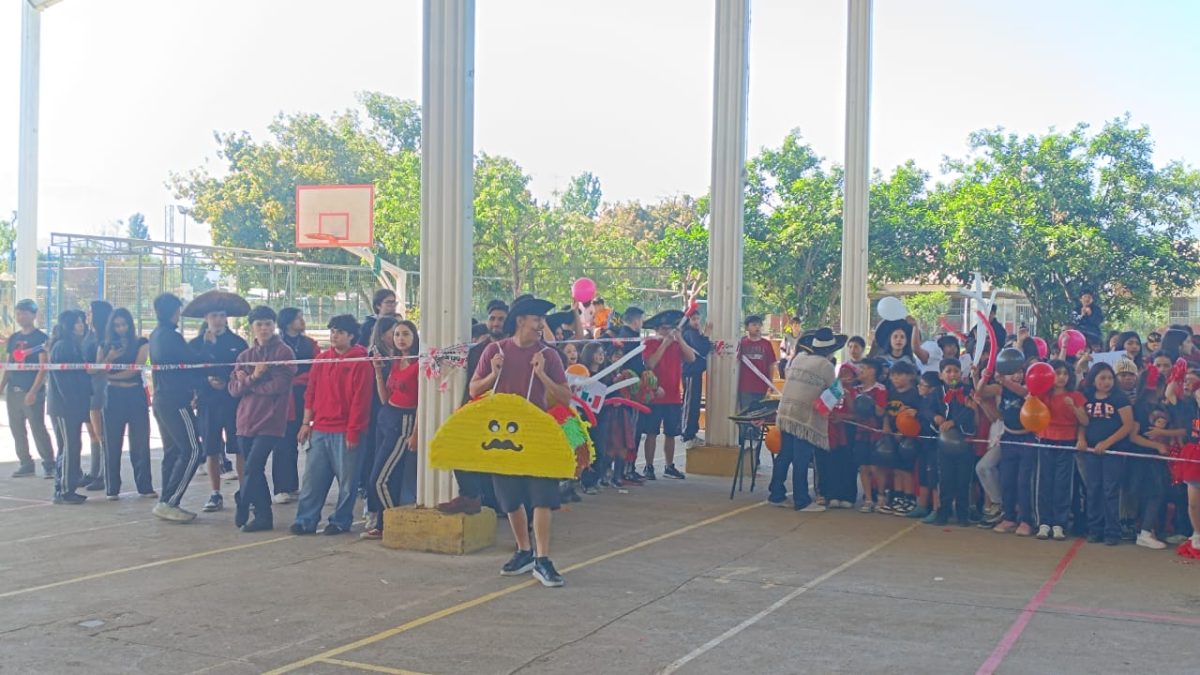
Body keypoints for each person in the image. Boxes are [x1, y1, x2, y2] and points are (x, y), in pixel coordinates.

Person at [469, 296, 571, 587]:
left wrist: (541, 375)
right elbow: (474, 390)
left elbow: (565, 397)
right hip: (501, 435)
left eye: (542, 320)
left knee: (542, 497)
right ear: (521, 320)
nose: (541, 325)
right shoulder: (494, 350)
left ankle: (544, 558)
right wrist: (493, 374)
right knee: (510, 498)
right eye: (537, 319)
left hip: (537, 433)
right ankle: (524, 551)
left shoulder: (549, 356)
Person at [292, 314, 374, 536]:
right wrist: (305, 423)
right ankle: (305, 519)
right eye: (332, 331)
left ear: (351, 335)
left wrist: (353, 431)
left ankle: (340, 520)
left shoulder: (360, 361)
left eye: (339, 332)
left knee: (348, 482)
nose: (334, 335)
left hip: (346, 430)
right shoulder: (321, 359)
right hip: (320, 428)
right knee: (312, 479)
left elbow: (361, 400)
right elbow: (311, 392)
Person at [228, 306, 296, 532]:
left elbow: (280, 386)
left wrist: (250, 381)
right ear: (252, 327)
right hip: (245, 420)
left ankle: (243, 500)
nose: (264, 328)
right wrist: (256, 376)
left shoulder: (284, 352)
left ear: (274, 325)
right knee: (252, 470)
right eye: (259, 324)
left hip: (270, 420)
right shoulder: (245, 356)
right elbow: (234, 389)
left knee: (253, 466)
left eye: (268, 323)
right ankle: (262, 514)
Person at [438, 300, 508, 515]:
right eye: (492, 318)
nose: (495, 323)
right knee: (459, 448)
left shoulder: (513, 348)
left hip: (504, 414)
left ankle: (496, 504)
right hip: (476, 408)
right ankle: (471, 496)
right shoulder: (477, 349)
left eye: (501, 319)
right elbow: (470, 382)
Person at [768, 327, 845, 512]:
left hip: (786, 412)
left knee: (785, 455)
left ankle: (776, 493)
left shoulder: (799, 358)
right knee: (801, 458)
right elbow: (833, 392)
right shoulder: (826, 366)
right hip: (804, 417)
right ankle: (801, 499)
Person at [148, 293, 207, 522]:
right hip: (175, 401)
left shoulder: (156, 335)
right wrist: (206, 344)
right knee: (193, 450)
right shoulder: (170, 337)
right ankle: (170, 501)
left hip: (162, 399)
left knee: (172, 452)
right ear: (175, 312)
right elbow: (191, 362)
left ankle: (167, 499)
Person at [362, 320, 421, 540]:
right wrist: (378, 372)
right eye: (397, 335)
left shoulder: (419, 364)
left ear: (415, 337)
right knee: (390, 477)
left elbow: (421, 403)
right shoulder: (396, 362)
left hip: (404, 421)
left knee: (378, 479)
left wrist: (415, 433)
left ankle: (391, 522)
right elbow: (385, 397)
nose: (400, 338)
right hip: (387, 416)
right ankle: (382, 524)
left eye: (405, 334)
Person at [190, 310, 249, 513]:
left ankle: (245, 491)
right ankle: (215, 494)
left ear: (226, 318)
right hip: (208, 403)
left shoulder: (238, 343)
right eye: (213, 315)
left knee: (240, 446)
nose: (217, 319)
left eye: (221, 315)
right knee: (211, 448)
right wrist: (206, 382)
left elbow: (245, 371)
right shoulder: (196, 344)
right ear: (206, 318)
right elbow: (191, 372)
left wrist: (230, 381)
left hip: (234, 402)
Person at [99, 308, 155, 500]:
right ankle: (112, 488)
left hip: (135, 395)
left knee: (140, 442)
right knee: (112, 442)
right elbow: (98, 370)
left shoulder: (141, 343)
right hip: (113, 398)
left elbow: (135, 369)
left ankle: (145, 486)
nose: (121, 329)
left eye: (124, 324)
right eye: (116, 325)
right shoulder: (105, 345)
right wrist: (110, 358)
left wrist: (112, 377)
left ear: (130, 325)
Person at [1081, 362, 1135, 545]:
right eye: (1102, 378)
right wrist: (1081, 439)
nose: (1107, 382)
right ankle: (1094, 528)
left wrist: (1107, 443)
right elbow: (1083, 421)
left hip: (1114, 450)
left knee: (1110, 490)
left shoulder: (1120, 399)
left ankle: (1113, 531)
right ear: (1093, 379)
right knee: (1093, 488)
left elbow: (1127, 425)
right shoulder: (1087, 397)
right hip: (1091, 451)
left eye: (1110, 378)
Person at [639, 311, 697, 480]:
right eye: (665, 328)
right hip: (655, 395)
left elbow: (692, 358)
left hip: (673, 395)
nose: (669, 332)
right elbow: (650, 364)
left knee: (671, 433)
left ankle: (669, 465)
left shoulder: (677, 343)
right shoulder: (650, 342)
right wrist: (664, 344)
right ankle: (648, 466)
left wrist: (680, 339)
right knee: (651, 432)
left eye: (671, 328)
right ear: (657, 329)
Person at [1034, 360, 1086, 541]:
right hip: (1045, 440)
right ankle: (1044, 523)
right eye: (1057, 373)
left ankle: (1059, 524)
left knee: (1063, 484)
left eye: (1065, 373)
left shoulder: (1076, 396)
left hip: (1067, 442)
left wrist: (1073, 406)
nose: (1062, 377)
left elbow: (1085, 421)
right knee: (1044, 482)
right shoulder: (1042, 395)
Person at [3, 298, 55, 478]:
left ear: (34, 315)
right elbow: (9, 364)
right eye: (18, 313)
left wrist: (34, 391)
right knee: (17, 428)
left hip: (31, 391)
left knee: (37, 427)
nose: (20, 316)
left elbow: (43, 367)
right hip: (13, 391)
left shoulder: (40, 339)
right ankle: (25, 462)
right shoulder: (14, 338)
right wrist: (2, 386)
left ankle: (49, 463)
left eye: (24, 313)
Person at [47, 310, 91, 504]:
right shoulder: (63, 347)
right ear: (69, 325)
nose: (81, 325)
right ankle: (64, 490)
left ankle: (67, 486)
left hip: (73, 405)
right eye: (78, 322)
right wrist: (73, 402)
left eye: (82, 322)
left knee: (72, 446)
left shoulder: (74, 346)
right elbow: (63, 380)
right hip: (65, 408)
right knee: (69, 447)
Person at [275, 307, 318, 504]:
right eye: (298, 318)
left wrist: (302, 379)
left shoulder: (310, 344)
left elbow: (318, 368)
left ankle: (300, 486)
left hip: (305, 395)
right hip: (281, 397)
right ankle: (282, 487)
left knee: (305, 439)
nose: (302, 321)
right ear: (287, 321)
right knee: (283, 443)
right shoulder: (276, 344)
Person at [932, 359, 978, 527]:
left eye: (956, 371)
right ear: (940, 375)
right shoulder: (937, 392)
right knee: (945, 479)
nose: (952, 374)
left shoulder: (968, 391)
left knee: (963, 480)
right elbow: (925, 408)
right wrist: (934, 417)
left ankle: (963, 515)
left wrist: (953, 422)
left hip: (965, 442)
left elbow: (970, 411)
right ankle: (943, 513)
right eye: (948, 371)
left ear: (961, 374)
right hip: (944, 445)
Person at [994, 368, 1037, 536]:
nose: (1018, 375)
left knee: (1024, 481)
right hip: (1008, 438)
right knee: (1007, 480)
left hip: (1027, 439)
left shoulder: (1030, 389)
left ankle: (1026, 520)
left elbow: (1024, 392)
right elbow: (981, 391)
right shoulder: (1001, 389)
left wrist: (1005, 380)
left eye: (1021, 372)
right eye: (1014, 371)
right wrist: (979, 376)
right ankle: (1009, 517)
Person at [881, 360, 920, 515]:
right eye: (893, 375)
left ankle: (909, 498)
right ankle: (897, 497)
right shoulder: (891, 392)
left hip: (908, 438)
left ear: (910, 376)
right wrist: (886, 425)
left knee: (906, 470)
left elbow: (916, 418)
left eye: (899, 375)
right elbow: (886, 411)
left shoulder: (914, 394)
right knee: (896, 468)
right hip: (892, 435)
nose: (895, 378)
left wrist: (904, 431)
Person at [81, 299, 113, 491]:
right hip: (87, 388)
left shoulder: (105, 338)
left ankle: (104, 473)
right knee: (92, 433)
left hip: (99, 387)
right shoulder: (88, 335)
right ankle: (94, 471)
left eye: (91, 312)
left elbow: (100, 366)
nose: (88, 315)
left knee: (101, 432)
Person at [853, 358, 887, 512]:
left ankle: (880, 496)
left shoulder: (880, 389)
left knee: (876, 467)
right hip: (860, 433)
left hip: (875, 433)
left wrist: (869, 403)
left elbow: (881, 411)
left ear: (873, 371)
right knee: (863, 467)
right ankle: (867, 498)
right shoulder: (856, 389)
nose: (860, 371)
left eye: (864, 368)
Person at [681, 312, 712, 449]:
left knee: (695, 403)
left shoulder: (694, 332)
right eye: (693, 319)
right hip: (690, 372)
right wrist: (706, 335)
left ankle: (692, 432)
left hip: (696, 371)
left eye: (698, 319)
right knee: (690, 403)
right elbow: (701, 348)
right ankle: (687, 433)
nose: (697, 322)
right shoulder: (689, 333)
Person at [736, 315, 777, 413]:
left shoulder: (766, 344)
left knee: (758, 417)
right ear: (747, 327)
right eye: (754, 325)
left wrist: (770, 383)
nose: (757, 327)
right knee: (746, 415)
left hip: (761, 387)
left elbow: (771, 364)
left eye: (759, 325)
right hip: (745, 387)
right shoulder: (741, 343)